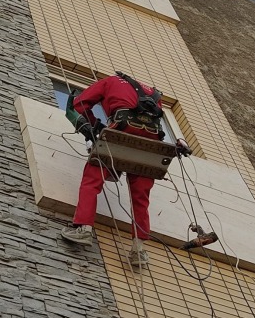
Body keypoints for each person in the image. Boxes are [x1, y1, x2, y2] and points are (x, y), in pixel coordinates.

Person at [60, 72, 191, 266]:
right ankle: (138, 249)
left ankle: (84, 229)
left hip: (120, 132)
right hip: (151, 142)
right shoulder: (155, 94)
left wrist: (93, 128)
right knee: (141, 197)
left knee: (92, 180)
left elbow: (78, 106)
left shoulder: (110, 81)